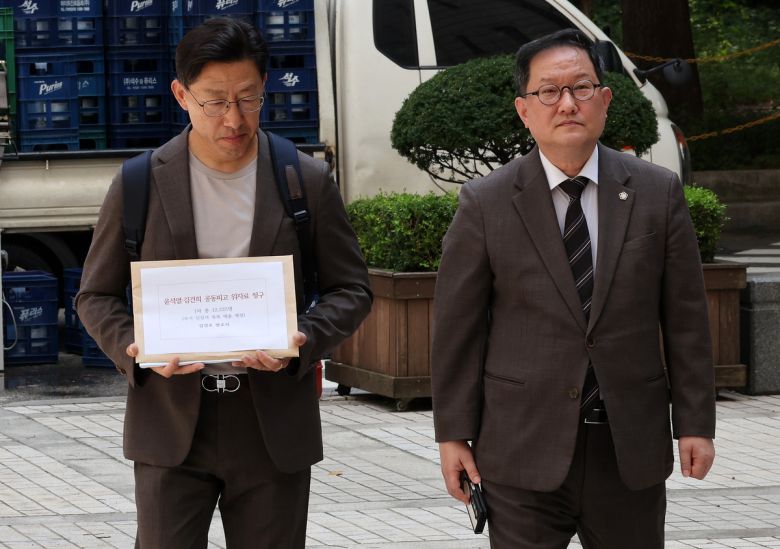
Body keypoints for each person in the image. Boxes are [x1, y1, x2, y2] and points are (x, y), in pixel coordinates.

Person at [76, 17, 372, 548]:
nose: (234, 118)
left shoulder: (303, 180)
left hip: (271, 425)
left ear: (265, 88)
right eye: (215, 101)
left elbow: (352, 289)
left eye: (248, 98)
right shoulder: (140, 182)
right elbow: (95, 296)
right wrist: (134, 347)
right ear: (181, 96)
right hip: (170, 422)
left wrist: (302, 340)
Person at [431, 29, 715, 548]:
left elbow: (686, 319)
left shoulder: (657, 192)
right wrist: (452, 434)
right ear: (524, 110)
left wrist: (695, 423)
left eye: (581, 88)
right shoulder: (485, 202)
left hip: (627, 444)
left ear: (605, 100)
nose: (567, 104)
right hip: (520, 446)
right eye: (548, 91)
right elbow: (457, 330)